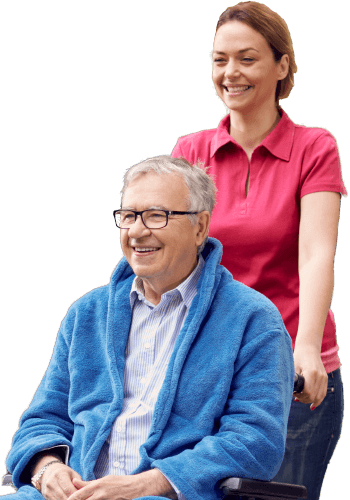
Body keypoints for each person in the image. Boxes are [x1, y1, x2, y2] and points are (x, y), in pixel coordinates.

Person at [4, 157, 294, 500]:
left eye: (157, 216)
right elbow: (41, 420)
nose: (137, 231)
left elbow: (254, 441)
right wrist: (47, 468)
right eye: (128, 216)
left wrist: (148, 484)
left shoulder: (252, 319)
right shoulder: (87, 314)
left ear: (200, 227)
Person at [170, 3, 347, 499]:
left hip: (287, 371)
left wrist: (306, 347)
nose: (230, 73)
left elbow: (315, 253)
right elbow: (176, 262)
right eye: (219, 59)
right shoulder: (191, 152)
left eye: (247, 59)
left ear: (282, 65)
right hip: (204, 370)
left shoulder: (315, 148)